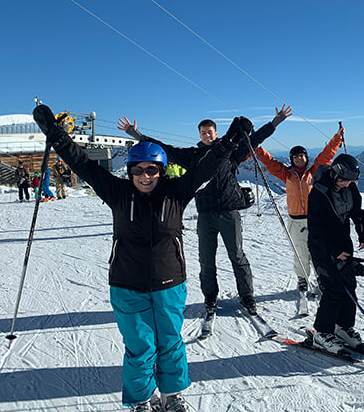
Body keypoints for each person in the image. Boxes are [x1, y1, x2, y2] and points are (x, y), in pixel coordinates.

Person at [33, 103, 249, 412]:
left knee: (171, 344)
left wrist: (231, 140)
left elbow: (205, 167)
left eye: (152, 170)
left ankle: (172, 396)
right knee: (140, 348)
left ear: (162, 171)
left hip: (170, 285)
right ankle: (141, 401)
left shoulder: (177, 193)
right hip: (127, 285)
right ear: (129, 171)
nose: (145, 176)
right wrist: (56, 135)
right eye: (138, 170)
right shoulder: (118, 193)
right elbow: (83, 164)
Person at [118, 105, 290, 317]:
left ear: (216, 133)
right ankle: (210, 297)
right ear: (199, 135)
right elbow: (167, 150)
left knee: (237, 256)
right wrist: (137, 135)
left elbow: (254, 140)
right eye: (202, 133)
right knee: (206, 259)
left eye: (210, 132)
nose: (206, 135)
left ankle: (247, 296)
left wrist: (276, 122)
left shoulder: (231, 152)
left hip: (229, 212)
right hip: (206, 213)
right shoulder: (193, 156)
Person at [255, 120, 344, 293]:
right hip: (295, 221)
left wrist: (337, 138)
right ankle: (302, 278)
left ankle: (321, 278)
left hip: (315, 219)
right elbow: (270, 162)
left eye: (301, 155)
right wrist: (257, 147)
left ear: (306, 157)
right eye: (295, 156)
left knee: (318, 252)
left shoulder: (314, 172)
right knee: (301, 253)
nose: (299, 158)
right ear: (291, 159)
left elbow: (326, 156)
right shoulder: (286, 174)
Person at [307, 154, 364, 353]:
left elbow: (357, 211)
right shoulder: (318, 193)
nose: (349, 184)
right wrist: (333, 252)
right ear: (336, 174)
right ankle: (322, 333)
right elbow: (315, 229)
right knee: (333, 288)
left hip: (344, 244)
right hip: (322, 248)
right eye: (345, 179)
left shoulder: (350, 187)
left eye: (352, 180)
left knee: (349, 285)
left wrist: (363, 232)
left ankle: (343, 328)